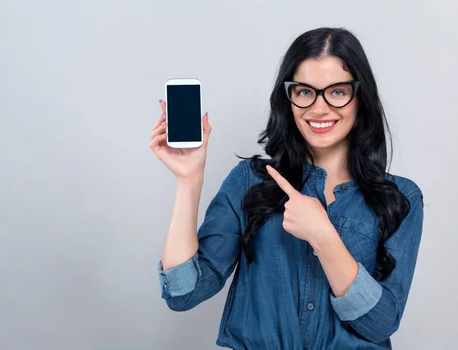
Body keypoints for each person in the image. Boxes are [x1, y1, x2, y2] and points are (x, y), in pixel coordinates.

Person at [149, 27, 424, 350]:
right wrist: (188, 180)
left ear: (360, 97)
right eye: (305, 92)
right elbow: (184, 293)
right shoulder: (250, 181)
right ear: (288, 97)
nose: (318, 109)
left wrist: (323, 236)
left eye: (337, 92)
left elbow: (380, 324)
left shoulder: (401, 199)